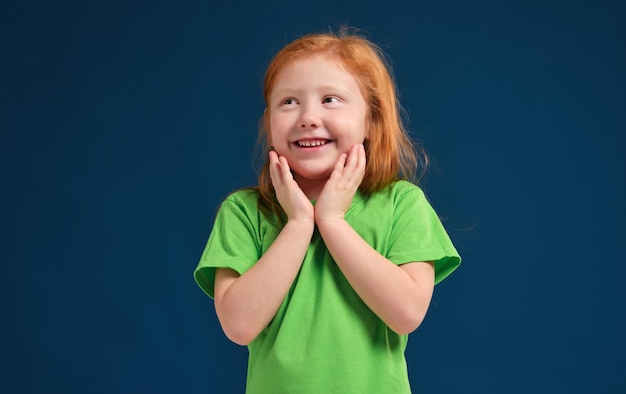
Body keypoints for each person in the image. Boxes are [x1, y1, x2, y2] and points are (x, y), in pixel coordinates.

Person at [194, 28, 461, 394]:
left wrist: (332, 222)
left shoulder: (402, 203)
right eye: (288, 102)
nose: (307, 117)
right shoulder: (243, 212)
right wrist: (299, 224)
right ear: (269, 124)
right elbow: (238, 325)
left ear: (370, 121)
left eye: (330, 100)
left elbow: (407, 313)